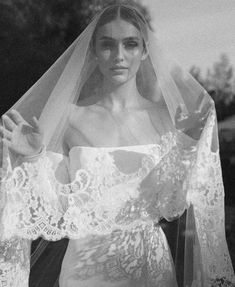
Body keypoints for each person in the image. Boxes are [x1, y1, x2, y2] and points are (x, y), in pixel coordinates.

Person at [0, 3, 234, 287]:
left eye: (131, 44)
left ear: (145, 51)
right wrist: (34, 157)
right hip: (85, 272)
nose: (119, 56)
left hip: (151, 269)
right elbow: (56, 211)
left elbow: (172, 205)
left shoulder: (165, 119)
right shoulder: (71, 117)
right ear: (94, 52)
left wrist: (188, 145)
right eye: (108, 45)